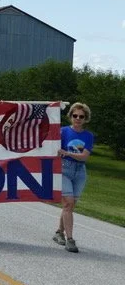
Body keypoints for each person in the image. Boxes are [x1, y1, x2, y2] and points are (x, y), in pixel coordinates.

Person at [53, 102, 94, 253]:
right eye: (75, 115)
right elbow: (53, 148)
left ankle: (59, 232)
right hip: (64, 169)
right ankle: (70, 240)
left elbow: (84, 157)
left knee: (69, 206)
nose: (78, 119)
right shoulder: (62, 131)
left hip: (79, 172)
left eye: (81, 117)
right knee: (68, 204)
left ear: (85, 119)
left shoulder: (88, 136)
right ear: (70, 116)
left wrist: (68, 153)